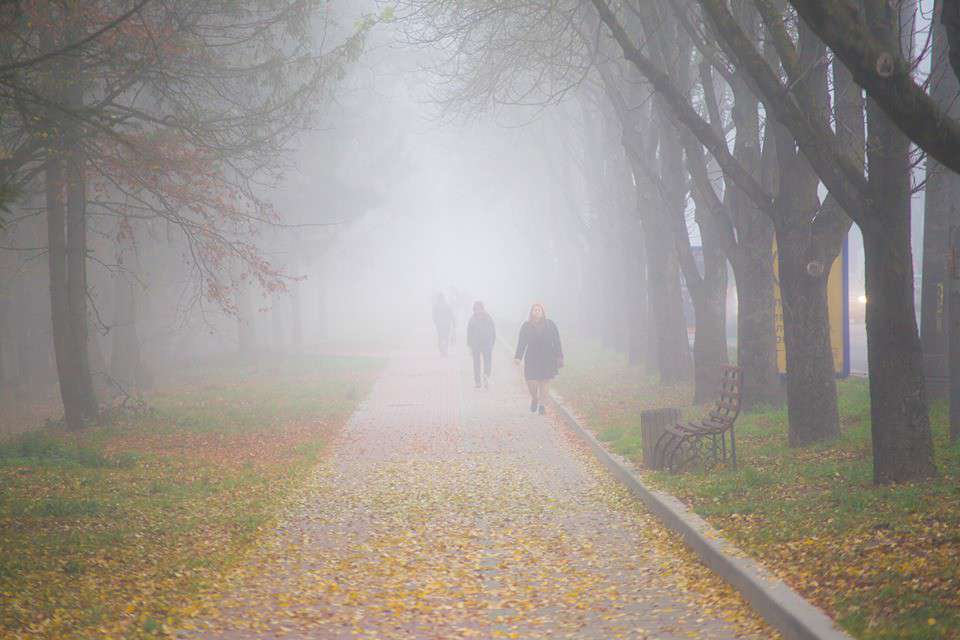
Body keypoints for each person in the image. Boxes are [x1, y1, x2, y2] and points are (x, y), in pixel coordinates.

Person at [514, 302, 563, 414]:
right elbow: (521, 342)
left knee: (545, 381)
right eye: (534, 310)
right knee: (531, 381)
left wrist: (559, 356)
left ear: (542, 312)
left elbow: (556, 341)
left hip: (547, 357)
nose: (536, 312)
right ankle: (535, 398)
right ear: (531, 312)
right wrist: (518, 356)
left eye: (538, 310)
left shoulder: (550, 325)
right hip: (532, 357)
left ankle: (542, 405)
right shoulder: (526, 326)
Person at [467, 301, 496, 388]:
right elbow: (469, 334)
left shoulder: (488, 319)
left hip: (486, 344)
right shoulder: (472, 320)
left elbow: (493, 331)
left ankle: (486, 377)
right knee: (477, 363)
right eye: (476, 309)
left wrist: (492, 342)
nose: (478, 311)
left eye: (480, 309)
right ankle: (478, 381)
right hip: (476, 345)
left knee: (487, 362)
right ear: (474, 310)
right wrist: (470, 346)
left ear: (483, 309)